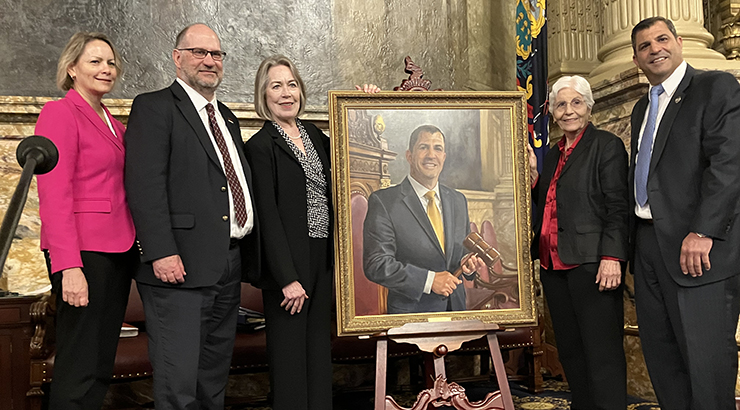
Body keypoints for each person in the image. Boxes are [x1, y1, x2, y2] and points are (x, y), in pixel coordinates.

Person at [124, 23, 259, 410]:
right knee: (178, 383)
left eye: (216, 54)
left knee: (212, 381)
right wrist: (160, 251)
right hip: (177, 268)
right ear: (177, 57)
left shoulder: (227, 117)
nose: (209, 61)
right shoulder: (154, 107)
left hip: (227, 265)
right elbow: (145, 185)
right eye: (199, 52)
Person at [244, 54, 378, 410]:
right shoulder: (260, 146)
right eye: (276, 86)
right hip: (287, 266)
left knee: (319, 353)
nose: (286, 93)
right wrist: (287, 278)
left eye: (292, 85)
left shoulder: (315, 136)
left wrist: (365, 104)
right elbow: (267, 217)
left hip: (322, 257)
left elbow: (353, 155)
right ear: (264, 95)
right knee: (289, 359)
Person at [629, 16, 740, 410]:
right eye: (644, 45)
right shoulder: (642, 108)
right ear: (636, 57)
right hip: (647, 245)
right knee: (663, 357)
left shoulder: (715, 87)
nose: (655, 48)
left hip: (697, 246)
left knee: (705, 360)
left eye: (662, 39)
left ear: (678, 42)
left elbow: (729, 164)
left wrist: (703, 231)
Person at [35, 32, 138, 409]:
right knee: (79, 362)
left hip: (117, 252)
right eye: (95, 61)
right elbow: (54, 194)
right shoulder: (59, 113)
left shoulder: (112, 121)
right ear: (72, 68)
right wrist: (69, 266)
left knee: (99, 362)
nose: (105, 69)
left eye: (110, 62)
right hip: (83, 254)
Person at [528, 75, 628, 410]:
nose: (568, 111)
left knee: (602, 352)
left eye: (576, 102)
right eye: (561, 104)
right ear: (553, 113)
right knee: (571, 350)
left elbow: (618, 206)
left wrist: (612, 256)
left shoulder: (606, 146)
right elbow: (548, 205)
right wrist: (532, 182)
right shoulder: (553, 155)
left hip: (592, 264)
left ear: (588, 106)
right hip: (553, 266)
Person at [363, 125, 486, 314]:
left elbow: (458, 255)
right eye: (423, 147)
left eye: (437, 148)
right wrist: (429, 281)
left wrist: (467, 266)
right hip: (411, 316)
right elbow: (376, 264)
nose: (431, 155)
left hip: (456, 312)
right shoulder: (384, 202)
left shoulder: (457, 200)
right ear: (409, 155)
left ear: (444, 157)